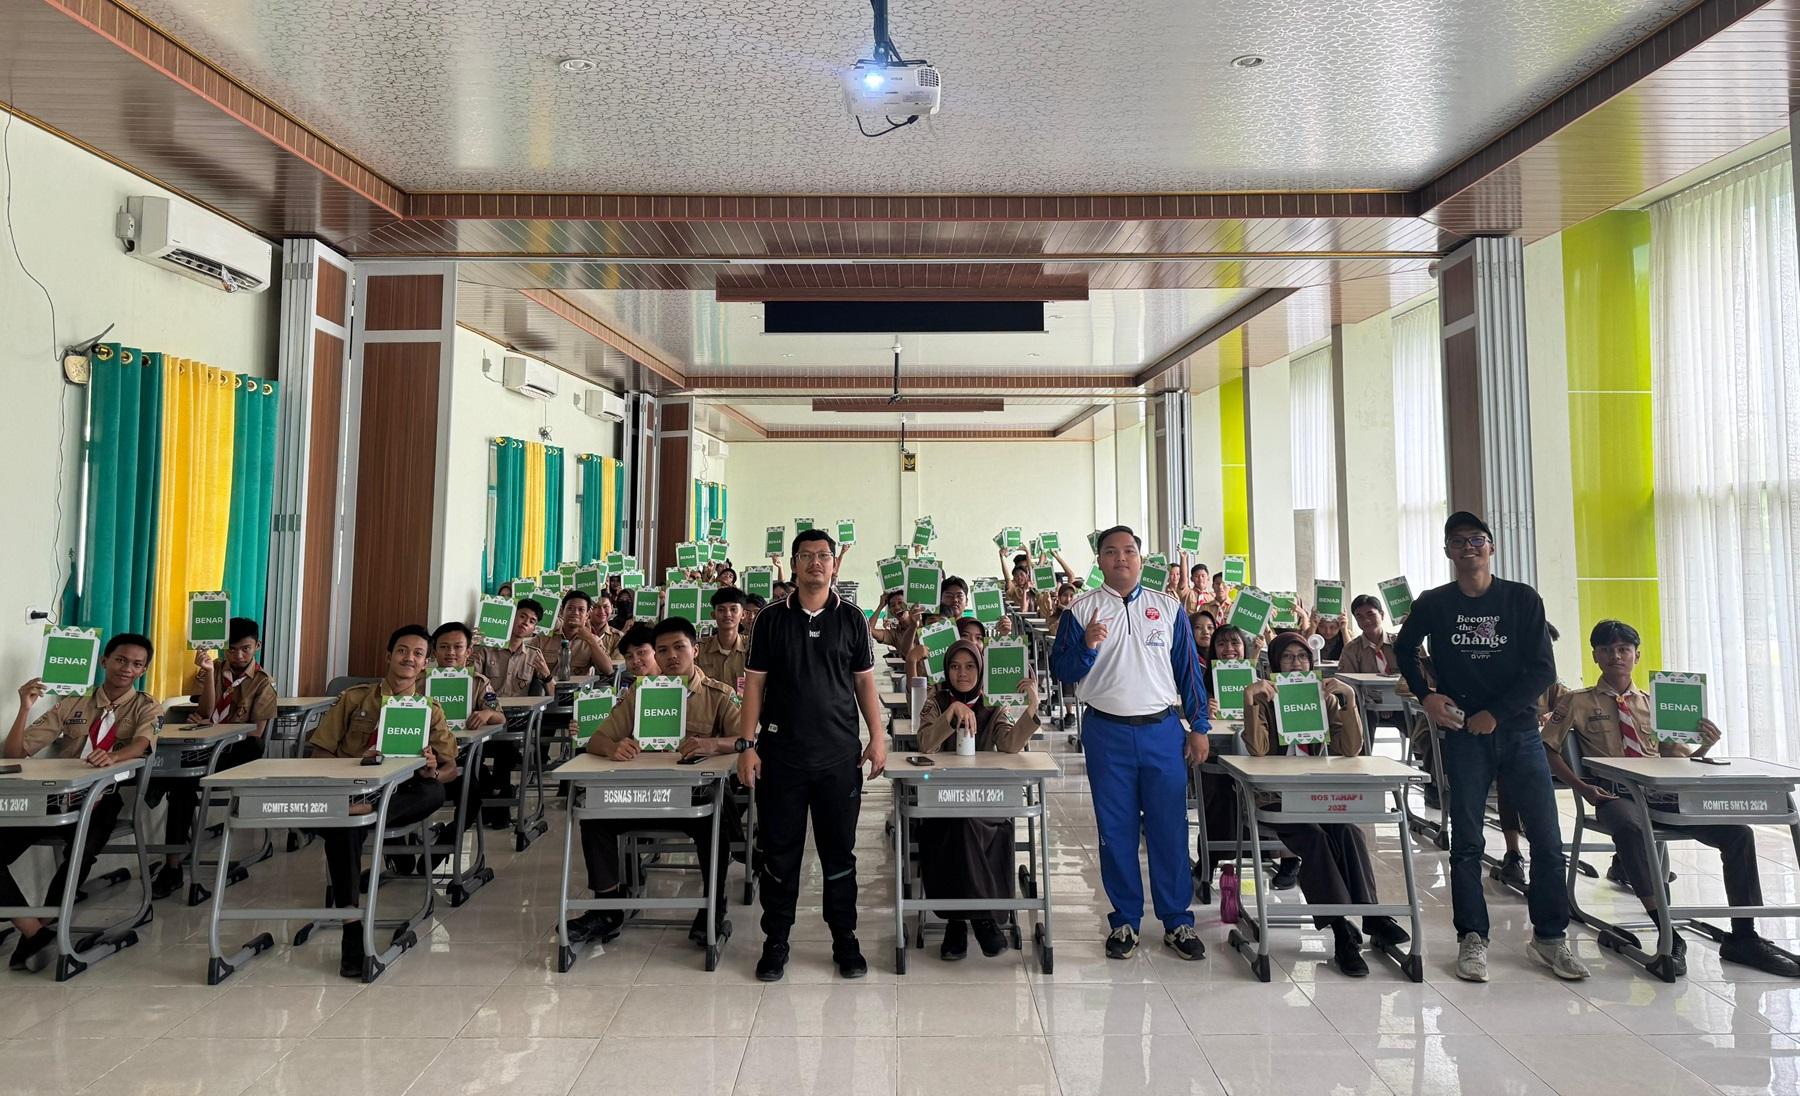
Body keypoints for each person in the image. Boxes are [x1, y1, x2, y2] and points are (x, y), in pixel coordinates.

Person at [1541, 619, 1797, 977]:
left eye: (1624, 650)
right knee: (1631, 829)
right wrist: (1580, 786)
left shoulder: (1656, 703)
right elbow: (1548, 749)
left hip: (1662, 796)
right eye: (1607, 650)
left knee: (1738, 833)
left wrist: (1704, 745)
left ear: (1636, 655)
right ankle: (1666, 930)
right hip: (1613, 795)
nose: (1616, 656)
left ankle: (1744, 936)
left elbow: (1675, 757)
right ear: (1596, 656)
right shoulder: (1577, 701)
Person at [1395, 511, 1587, 983]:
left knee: (1546, 839)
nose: (1468, 548)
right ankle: (1472, 938)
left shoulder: (1521, 599)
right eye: (1458, 542)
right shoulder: (1435, 603)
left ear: (1491, 547)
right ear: (1447, 551)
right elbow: (1404, 648)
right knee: (1466, 842)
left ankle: (1550, 937)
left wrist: (1497, 714)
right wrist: (1428, 696)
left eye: (1477, 540)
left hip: (1519, 733)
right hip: (1463, 735)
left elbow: (1543, 669)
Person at [1051, 525, 1210, 961]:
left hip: (1162, 730)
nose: (1120, 558)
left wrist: (1199, 725)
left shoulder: (1168, 606)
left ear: (1141, 559)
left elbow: (1188, 672)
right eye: (1110, 552)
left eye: (1128, 551)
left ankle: (1177, 921)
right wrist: (1085, 646)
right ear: (1099, 560)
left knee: (1170, 828)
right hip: (1107, 733)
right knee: (1116, 831)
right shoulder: (1082, 610)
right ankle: (1125, 920)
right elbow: (1062, 669)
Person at [736, 529, 886, 982]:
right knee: (779, 855)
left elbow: (863, 682)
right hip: (781, 755)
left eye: (824, 556)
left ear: (834, 564)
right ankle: (776, 940)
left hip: (838, 758)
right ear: (795, 565)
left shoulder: (853, 619)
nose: (816, 563)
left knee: (839, 854)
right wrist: (746, 745)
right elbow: (755, 685)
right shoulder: (769, 620)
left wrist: (877, 736)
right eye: (807, 556)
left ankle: (845, 940)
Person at [1241, 632, 1410, 976]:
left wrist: (1347, 701)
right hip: (1280, 797)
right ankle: (1340, 930)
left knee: (1349, 831)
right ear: (1275, 664)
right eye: (1287, 658)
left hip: (1319, 792)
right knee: (1316, 839)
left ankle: (1373, 917)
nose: (1295, 664)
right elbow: (1258, 751)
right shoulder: (1264, 700)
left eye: (1301, 658)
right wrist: (1249, 701)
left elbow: (1351, 749)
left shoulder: (1326, 699)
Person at [566, 617, 741, 946]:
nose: (672, 655)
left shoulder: (719, 695)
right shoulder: (638, 694)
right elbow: (598, 740)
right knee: (594, 818)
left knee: (713, 820)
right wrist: (614, 746)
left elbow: (748, 738)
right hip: (642, 794)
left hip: (693, 798)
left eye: (679, 647)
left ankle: (712, 906)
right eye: (663, 650)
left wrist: (713, 744)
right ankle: (607, 908)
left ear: (696, 650)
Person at [305, 625, 458, 977]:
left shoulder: (430, 709)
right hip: (351, 788)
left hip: (399, 793)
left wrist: (432, 767)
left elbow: (450, 769)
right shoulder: (355, 699)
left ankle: (369, 812)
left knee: (433, 790)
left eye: (418, 654)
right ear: (389, 656)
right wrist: (356, 765)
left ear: (425, 664)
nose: (409, 658)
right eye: (403, 651)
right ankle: (351, 928)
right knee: (344, 829)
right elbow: (319, 752)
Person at [2, 633, 159, 971]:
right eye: (120, 660)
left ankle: (44, 930)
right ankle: (33, 931)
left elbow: (142, 744)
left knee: (80, 851)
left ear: (144, 669)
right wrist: (24, 708)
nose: (126, 669)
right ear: (104, 661)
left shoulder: (146, 706)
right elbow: (14, 754)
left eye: (136, 664)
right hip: (57, 799)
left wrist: (114, 757)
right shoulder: (72, 704)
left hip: (103, 798)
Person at [915, 641, 1037, 960]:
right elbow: (926, 743)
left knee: (968, 820)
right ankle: (981, 919)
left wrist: (1033, 708)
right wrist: (952, 715)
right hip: (942, 803)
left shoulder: (992, 705)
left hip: (985, 802)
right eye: (955, 666)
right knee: (958, 821)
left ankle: (958, 921)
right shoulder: (936, 701)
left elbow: (1010, 744)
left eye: (970, 667)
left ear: (980, 670)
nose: (962, 673)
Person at [152, 618, 277, 900]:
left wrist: (212, 725)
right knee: (180, 784)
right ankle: (172, 867)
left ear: (257, 646)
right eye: (232, 650)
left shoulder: (262, 683)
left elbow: (255, 732)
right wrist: (208, 677)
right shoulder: (213, 669)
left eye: (245, 649)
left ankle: (179, 855)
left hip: (240, 751)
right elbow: (206, 711)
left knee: (187, 777)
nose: (239, 656)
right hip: (207, 747)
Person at [471, 597, 552, 695]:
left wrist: (547, 675)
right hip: (490, 707)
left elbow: (553, 694)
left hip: (521, 709)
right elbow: (470, 682)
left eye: (532, 621)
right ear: (511, 616)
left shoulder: (534, 655)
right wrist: (470, 646)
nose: (526, 623)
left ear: (534, 629)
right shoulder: (486, 649)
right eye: (522, 616)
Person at [534, 590, 616, 678]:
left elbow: (608, 670)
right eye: (570, 608)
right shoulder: (544, 637)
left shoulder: (593, 640)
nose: (575, 613)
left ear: (587, 615)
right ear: (562, 611)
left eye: (581, 610)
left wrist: (590, 640)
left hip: (576, 690)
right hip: (545, 689)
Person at [696, 587, 750, 695]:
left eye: (733, 609)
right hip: (709, 711)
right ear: (713, 615)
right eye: (721, 610)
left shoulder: (752, 648)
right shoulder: (699, 649)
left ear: (743, 614)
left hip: (743, 710)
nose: (727, 614)